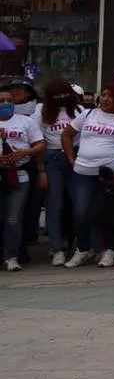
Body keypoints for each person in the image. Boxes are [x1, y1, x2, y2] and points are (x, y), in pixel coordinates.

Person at [60, 83, 114, 268]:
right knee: (80, 213)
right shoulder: (88, 114)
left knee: (110, 215)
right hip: (83, 173)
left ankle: (111, 250)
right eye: (104, 95)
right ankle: (84, 249)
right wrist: (71, 158)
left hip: (108, 176)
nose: (106, 99)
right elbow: (66, 134)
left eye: (110, 96)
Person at [1, 94, 44, 272]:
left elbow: (40, 144)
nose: (6, 103)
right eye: (1, 100)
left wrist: (25, 152)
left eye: (9, 100)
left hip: (19, 176)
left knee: (13, 219)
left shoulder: (26, 122)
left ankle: (12, 256)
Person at [39, 80, 79, 265]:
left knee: (77, 204)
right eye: (57, 94)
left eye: (64, 93)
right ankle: (57, 248)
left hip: (77, 157)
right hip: (53, 158)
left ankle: (77, 244)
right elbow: (38, 143)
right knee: (55, 205)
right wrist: (41, 171)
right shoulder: (41, 112)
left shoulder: (78, 110)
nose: (61, 97)